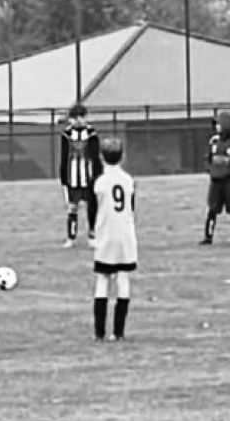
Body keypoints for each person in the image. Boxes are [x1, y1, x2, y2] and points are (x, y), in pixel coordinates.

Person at [89, 138, 137, 341]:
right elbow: (131, 207)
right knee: (123, 280)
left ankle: (99, 333)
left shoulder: (99, 182)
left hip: (106, 236)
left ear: (101, 157)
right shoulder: (128, 180)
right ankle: (118, 332)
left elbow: (92, 210)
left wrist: (92, 232)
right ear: (122, 157)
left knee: (102, 281)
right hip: (125, 236)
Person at [58, 105, 102, 248]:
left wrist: (98, 176)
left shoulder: (91, 133)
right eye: (75, 118)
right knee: (72, 208)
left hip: (89, 178)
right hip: (73, 178)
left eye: (82, 117)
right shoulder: (66, 134)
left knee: (92, 207)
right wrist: (63, 178)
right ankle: (71, 237)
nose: (79, 120)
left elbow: (96, 156)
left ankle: (92, 235)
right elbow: (64, 157)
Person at [202, 111, 230, 246]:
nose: (216, 127)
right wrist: (210, 170)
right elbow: (208, 158)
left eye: (219, 124)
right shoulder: (214, 141)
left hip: (229, 182)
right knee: (212, 209)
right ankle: (208, 237)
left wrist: (227, 171)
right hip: (215, 182)